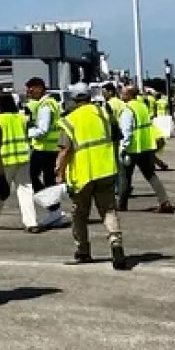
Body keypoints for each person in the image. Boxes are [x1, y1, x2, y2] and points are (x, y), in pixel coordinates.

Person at [56, 83, 127, 270]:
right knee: (108, 210)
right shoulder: (104, 113)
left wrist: (59, 174)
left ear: (72, 99)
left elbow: (64, 151)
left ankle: (83, 251)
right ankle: (115, 242)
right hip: (106, 169)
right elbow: (116, 137)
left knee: (79, 214)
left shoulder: (69, 120)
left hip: (82, 175)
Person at [0, 93, 39, 230]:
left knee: (1, 190)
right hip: (23, 158)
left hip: (4, 160)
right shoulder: (21, 118)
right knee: (26, 191)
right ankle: (31, 223)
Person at [116, 87, 174, 213]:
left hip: (132, 148)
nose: (121, 94)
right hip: (146, 146)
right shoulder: (142, 107)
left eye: (123, 93)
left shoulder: (127, 109)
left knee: (125, 176)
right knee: (151, 175)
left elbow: (127, 132)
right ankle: (165, 201)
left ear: (129, 95)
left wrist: (123, 148)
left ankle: (121, 204)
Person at [23, 78, 65, 231]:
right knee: (48, 179)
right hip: (51, 147)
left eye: (31, 89)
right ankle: (55, 211)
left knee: (32, 176)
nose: (29, 93)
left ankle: (53, 208)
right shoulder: (52, 103)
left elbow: (43, 129)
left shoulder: (45, 106)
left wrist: (27, 133)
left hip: (44, 148)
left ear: (40, 88)